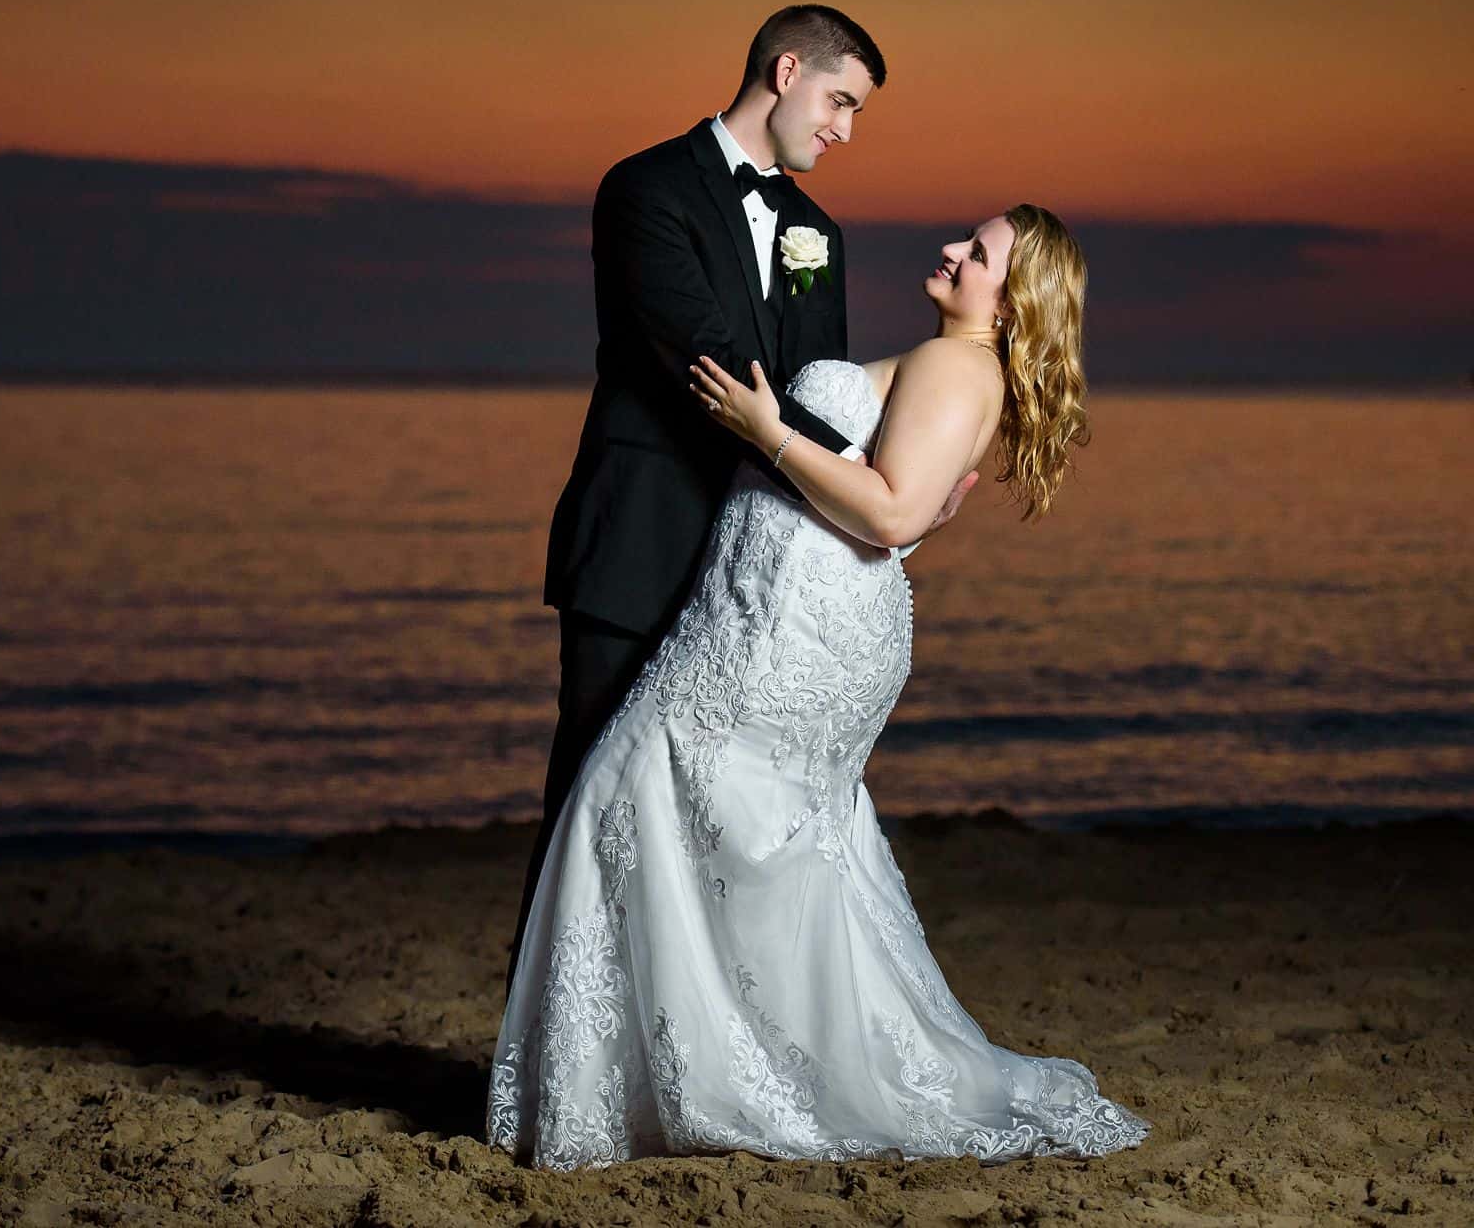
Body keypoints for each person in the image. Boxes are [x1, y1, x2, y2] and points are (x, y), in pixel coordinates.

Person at [486, 203, 1152, 1169]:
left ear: (1011, 306)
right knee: (726, 829)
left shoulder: (957, 368)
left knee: (635, 792)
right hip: (780, 606)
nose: (953, 251)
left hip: (787, 625)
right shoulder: (958, 371)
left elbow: (889, 514)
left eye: (979, 255)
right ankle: (706, 1070)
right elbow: (913, 500)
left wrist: (767, 429)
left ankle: (685, 1082)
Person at [509, 4, 977, 990]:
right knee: (588, 807)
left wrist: (881, 495)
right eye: (840, 101)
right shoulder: (644, 189)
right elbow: (703, 363)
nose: (845, 130)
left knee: (708, 831)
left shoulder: (816, 233)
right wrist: (874, 494)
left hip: (758, 572)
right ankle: (551, 1069)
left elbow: (810, 391)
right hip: (639, 541)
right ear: (786, 67)